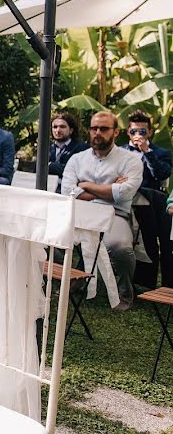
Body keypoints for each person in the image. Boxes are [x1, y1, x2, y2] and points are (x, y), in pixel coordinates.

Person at [61, 111, 143, 310]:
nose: (98, 132)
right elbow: (68, 192)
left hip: (114, 214)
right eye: (94, 128)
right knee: (54, 239)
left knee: (120, 247)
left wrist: (86, 185)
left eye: (104, 129)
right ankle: (76, 278)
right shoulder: (77, 159)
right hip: (80, 213)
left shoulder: (131, 160)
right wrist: (109, 187)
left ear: (116, 132)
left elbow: (123, 194)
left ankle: (125, 293)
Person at [123, 109, 171, 192]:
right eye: (133, 131)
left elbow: (162, 175)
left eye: (142, 131)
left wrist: (147, 152)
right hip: (120, 198)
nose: (137, 135)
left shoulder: (162, 153)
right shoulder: (119, 151)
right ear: (128, 132)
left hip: (149, 200)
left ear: (150, 132)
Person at [48, 112, 88, 193]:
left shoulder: (81, 148)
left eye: (62, 127)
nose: (58, 130)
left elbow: (76, 172)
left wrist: (49, 165)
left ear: (71, 130)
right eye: (55, 127)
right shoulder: (46, 149)